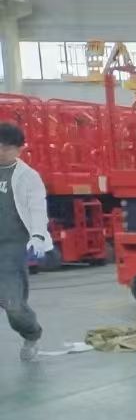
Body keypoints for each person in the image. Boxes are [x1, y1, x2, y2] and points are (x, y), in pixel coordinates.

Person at [0, 121, 53, 360]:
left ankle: (31, 334)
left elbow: (37, 209)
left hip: (11, 247)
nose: (1, 152)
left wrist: (38, 236)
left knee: (13, 304)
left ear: (20, 149)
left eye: (7, 148)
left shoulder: (28, 177)